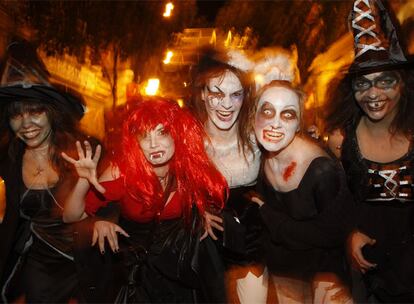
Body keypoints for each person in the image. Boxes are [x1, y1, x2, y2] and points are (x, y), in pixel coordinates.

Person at [62, 97, 228, 303]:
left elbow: (202, 197)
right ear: (136, 142)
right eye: (144, 136)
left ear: (176, 134)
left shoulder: (189, 168)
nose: (153, 144)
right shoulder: (121, 172)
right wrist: (84, 182)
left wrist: (201, 213)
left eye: (162, 133)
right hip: (138, 276)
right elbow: (70, 216)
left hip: (177, 273)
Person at [0, 41, 105, 303]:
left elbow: (111, 200)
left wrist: (105, 219)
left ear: (51, 112)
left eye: (35, 111)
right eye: (16, 115)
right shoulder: (9, 158)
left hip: (87, 260)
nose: (26, 124)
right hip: (40, 266)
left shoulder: (83, 151)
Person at [324, 0, 414, 302]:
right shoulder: (341, 140)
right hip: (372, 275)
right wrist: (349, 233)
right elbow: (336, 203)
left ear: (402, 85)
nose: (373, 94)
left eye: (385, 81)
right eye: (363, 84)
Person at [251, 79, 355, 303]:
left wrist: (269, 215)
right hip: (281, 280)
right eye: (267, 111)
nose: (275, 124)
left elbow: (333, 234)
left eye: (288, 114)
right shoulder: (257, 159)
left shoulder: (321, 170)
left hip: (322, 281)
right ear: (254, 117)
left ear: (299, 124)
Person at [189, 47, 267, 303]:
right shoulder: (187, 144)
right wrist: (194, 212)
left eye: (235, 95)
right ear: (202, 93)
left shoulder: (259, 140)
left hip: (252, 248)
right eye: (216, 93)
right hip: (205, 252)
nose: (226, 104)